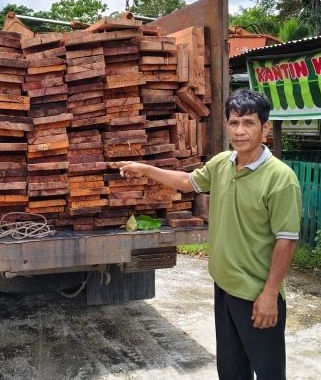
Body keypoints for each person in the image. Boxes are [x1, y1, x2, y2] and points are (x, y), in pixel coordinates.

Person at [115, 88, 301, 379]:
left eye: (249, 123)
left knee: (269, 373)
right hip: (224, 288)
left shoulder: (280, 178)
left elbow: (286, 240)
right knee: (230, 371)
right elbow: (188, 181)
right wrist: (145, 169)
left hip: (256, 295)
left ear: (265, 128)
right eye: (234, 122)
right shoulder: (223, 163)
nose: (240, 131)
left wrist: (269, 295)